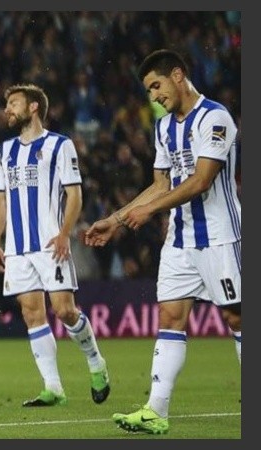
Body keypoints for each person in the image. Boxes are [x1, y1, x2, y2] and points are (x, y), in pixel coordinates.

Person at [85, 49, 241, 435]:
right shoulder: (163, 128)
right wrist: (116, 219)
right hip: (180, 240)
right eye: (149, 90)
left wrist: (151, 211)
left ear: (177, 74)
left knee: (238, 318)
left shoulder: (215, 118)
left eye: (156, 86)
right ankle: (156, 410)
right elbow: (159, 185)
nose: (153, 96)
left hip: (219, 238)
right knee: (170, 318)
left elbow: (201, 181)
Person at [0, 83, 110, 408]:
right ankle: (53, 387)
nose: (7, 110)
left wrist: (64, 233)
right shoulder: (5, 151)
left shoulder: (60, 145)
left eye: (13, 103)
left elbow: (75, 194)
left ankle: (96, 363)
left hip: (49, 243)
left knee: (65, 310)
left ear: (33, 108)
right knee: (32, 314)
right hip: (17, 248)